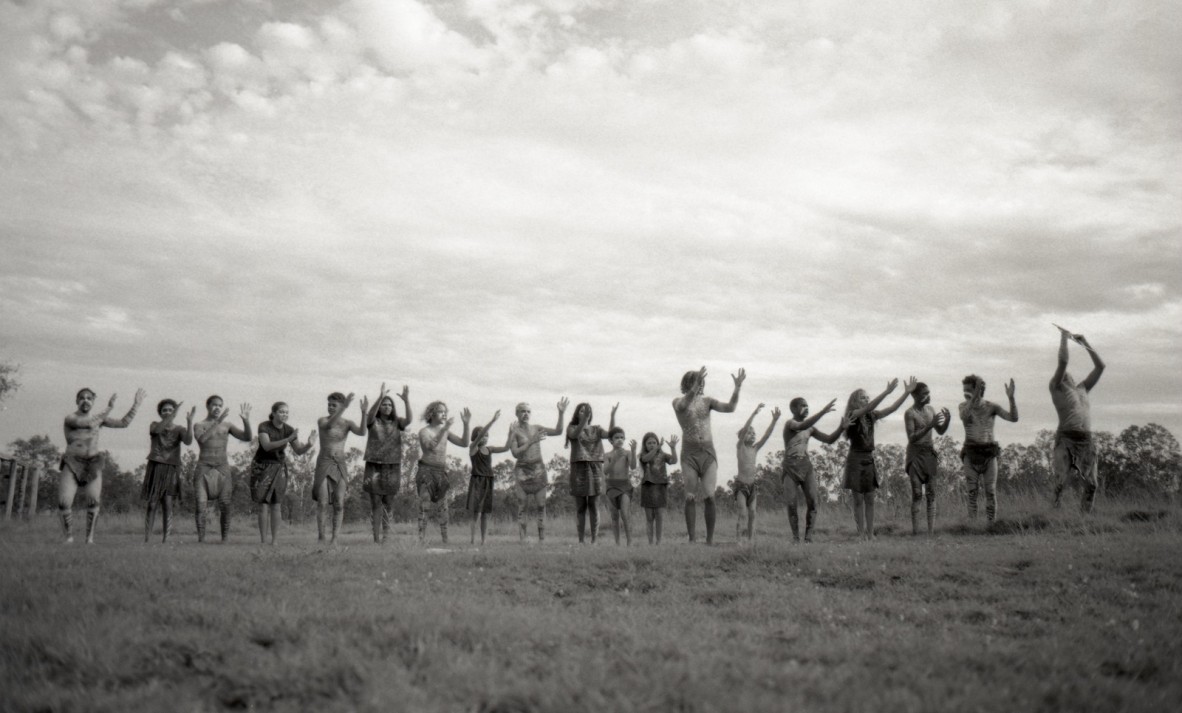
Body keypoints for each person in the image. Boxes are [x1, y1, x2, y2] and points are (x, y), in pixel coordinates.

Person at [59, 387, 145, 543]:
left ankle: (89, 539)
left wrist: (136, 405)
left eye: (89, 398)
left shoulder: (99, 419)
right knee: (64, 502)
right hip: (71, 462)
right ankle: (69, 538)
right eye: (82, 398)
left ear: (93, 402)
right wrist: (110, 407)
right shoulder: (70, 418)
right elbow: (87, 422)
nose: (86, 400)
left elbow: (123, 423)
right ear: (77, 401)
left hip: (92, 463)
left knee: (93, 500)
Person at [672, 365, 745, 544]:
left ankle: (710, 540)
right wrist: (694, 389)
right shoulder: (677, 401)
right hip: (689, 454)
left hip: (708, 452)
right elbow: (682, 406)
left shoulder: (708, 402)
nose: (697, 385)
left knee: (710, 496)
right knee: (690, 496)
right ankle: (692, 538)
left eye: (699, 382)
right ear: (686, 384)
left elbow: (730, 407)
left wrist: (737, 388)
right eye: (693, 382)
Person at [841, 378, 913, 540]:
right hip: (855, 459)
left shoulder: (871, 416)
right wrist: (886, 392)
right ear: (854, 402)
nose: (866, 400)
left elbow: (892, 408)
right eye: (862, 397)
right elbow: (869, 406)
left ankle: (870, 533)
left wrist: (906, 393)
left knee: (870, 499)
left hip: (868, 458)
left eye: (867, 397)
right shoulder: (852, 415)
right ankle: (861, 534)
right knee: (858, 499)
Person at [1050, 329, 1105, 512]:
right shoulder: (1056, 387)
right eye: (1063, 373)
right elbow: (1063, 361)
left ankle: (1084, 522)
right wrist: (1064, 339)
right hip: (1066, 438)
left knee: (1092, 485)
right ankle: (1053, 516)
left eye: (1068, 373)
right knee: (1061, 482)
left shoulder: (1082, 388)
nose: (1067, 373)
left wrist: (1086, 343)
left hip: (1086, 439)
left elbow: (1100, 367)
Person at [781, 396, 844, 543]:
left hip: (806, 466)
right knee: (791, 504)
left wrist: (842, 427)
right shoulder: (791, 424)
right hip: (790, 466)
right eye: (803, 406)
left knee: (813, 502)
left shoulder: (810, 428)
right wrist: (822, 412)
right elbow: (801, 426)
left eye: (807, 405)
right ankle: (796, 538)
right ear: (794, 409)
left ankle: (808, 538)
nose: (806, 408)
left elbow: (829, 439)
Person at [251, 401, 315, 544]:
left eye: (286, 412)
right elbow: (266, 446)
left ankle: (274, 541)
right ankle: (263, 541)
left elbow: (298, 451)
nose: (284, 414)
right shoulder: (264, 426)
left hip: (279, 467)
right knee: (262, 504)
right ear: (273, 413)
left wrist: (309, 445)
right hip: (262, 466)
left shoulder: (289, 429)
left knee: (276, 504)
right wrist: (287, 439)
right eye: (281, 412)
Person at [506, 399, 569, 543]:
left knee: (541, 505)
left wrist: (561, 413)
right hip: (522, 472)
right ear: (517, 413)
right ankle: (523, 538)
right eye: (523, 411)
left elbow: (558, 431)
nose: (526, 414)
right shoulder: (514, 432)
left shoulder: (537, 428)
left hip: (538, 471)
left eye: (528, 411)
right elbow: (515, 453)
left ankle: (542, 539)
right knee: (523, 505)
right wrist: (531, 442)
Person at [959, 374, 1018, 524]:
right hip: (970, 453)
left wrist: (1011, 398)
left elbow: (1013, 418)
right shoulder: (963, 406)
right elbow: (964, 416)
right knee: (972, 492)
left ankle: (991, 525)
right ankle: (972, 526)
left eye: (969, 390)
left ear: (979, 390)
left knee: (990, 492)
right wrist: (974, 395)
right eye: (964, 390)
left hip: (989, 453)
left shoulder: (992, 407)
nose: (965, 393)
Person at [193, 395, 252, 543]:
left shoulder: (227, 425)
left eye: (220, 405)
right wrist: (217, 422)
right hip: (204, 466)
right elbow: (202, 439)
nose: (218, 408)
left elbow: (247, 437)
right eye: (214, 405)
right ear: (208, 406)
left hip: (222, 466)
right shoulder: (199, 425)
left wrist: (246, 420)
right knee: (201, 505)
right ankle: (201, 540)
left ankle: (224, 539)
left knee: (225, 504)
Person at [314, 392, 368, 544]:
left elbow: (362, 432)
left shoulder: (347, 423)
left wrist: (364, 413)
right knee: (323, 502)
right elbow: (330, 425)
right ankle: (321, 537)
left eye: (334, 405)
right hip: (324, 462)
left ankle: (335, 538)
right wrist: (343, 408)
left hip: (340, 463)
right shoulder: (322, 420)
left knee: (339, 502)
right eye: (329, 405)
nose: (330, 407)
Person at [362, 383, 412, 544]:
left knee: (388, 503)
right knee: (375, 502)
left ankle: (386, 537)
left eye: (390, 404)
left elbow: (409, 420)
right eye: (384, 404)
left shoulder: (397, 422)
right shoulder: (373, 422)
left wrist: (406, 401)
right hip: (374, 465)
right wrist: (380, 396)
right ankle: (376, 539)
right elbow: (368, 416)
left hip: (392, 466)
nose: (387, 407)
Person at [416, 401, 470, 544]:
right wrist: (445, 428)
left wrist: (466, 424)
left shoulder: (445, 431)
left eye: (445, 411)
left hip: (440, 473)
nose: (444, 414)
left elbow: (464, 443)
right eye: (440, 411)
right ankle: (421, 539)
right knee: (424, 506)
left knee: (443, 508)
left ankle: (445, 540)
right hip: (426, 471)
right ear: (431, 414)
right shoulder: (424, 432)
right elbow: (429, 447)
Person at [141, 399, 194, 543]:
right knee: (152, 504)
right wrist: (172, 415)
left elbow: (189, 441)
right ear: (160, 412)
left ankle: (166, 538)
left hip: (171, 467)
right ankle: (147, 538)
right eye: (165, 410)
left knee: (167, 504)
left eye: (171, 410)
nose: (168, 412)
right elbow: (156, 431)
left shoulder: (180, 429)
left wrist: (189, 423)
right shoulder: (154, 425)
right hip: (156, 465)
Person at [903, 383, 950, 535]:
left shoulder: (930, 410)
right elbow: (911, 438)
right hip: (915, 456)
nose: (928, 396)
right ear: (915, 396)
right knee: (917, 493)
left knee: (931, 493)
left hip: (929, 455)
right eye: (924, 393)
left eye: (928, 393)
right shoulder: (910, 413)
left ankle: (930, 532)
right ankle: (916, 532)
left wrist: (947, 421)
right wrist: (930, 425)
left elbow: (940, 431)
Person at [566, 402, 616, 544]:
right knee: (581, 506)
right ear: (577, 414)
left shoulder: (597, 429)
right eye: (581, 411)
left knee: (594, 504)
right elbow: (575, 435)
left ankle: (594, 540)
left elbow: (610, 434)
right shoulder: (572, 427)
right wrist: (583, 421)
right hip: (579, 467)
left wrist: (612, 416)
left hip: (595, 467)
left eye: (587, 411)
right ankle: (581, 540)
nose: (584, 413)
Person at [733, 403, 780, 544]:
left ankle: (750, 540)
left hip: (752, 486)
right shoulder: (740, 447)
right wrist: (754, 413)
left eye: (754, 433)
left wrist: (774, 421)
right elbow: (746, 426)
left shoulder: (755, 448)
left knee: (752, 513)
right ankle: (739, 540)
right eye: (749, 433)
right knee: (742, 513)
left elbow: (766, 435)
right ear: (742, 436)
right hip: (741, 486)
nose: (753, 435)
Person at [467, 411, 508, 545]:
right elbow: (478, 439)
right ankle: (472, 539)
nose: (485, 437)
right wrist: (492, 421)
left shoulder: (490, 449)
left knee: (485, 513)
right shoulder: (473, 448)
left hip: (488, 481)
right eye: (483, 435)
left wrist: (512, 433)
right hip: (477, 481)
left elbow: (506, 448)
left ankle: (484, 540)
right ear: (476, 437)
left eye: (487, 436)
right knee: (476, 513)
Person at [638, 433, 678, 545]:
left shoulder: (663, 455)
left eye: (654, 442)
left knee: (659, 516)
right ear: (645, 445)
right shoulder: (643, 455)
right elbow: (646, 459)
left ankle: (658, 542)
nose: (652, 445)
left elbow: (674, 461)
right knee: (649, 517)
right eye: (649, 443)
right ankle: (650, 542)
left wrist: (673, 448)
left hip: (661, 486)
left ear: (657, 443)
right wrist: (656, 448)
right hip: (648, 486)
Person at [603, 427, 638, 546]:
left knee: (624, 513)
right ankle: (617, 543)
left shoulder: (627, 453)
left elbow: (633, 467)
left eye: (622, 437)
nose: (619, 439)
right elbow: (605, 471)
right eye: (616, 437)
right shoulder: (607, 455)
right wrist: (614, 459)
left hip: (625, 485)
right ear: (611, 440)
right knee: (614, 515)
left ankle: (630, 542)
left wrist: (633, 451)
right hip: (611, 485)